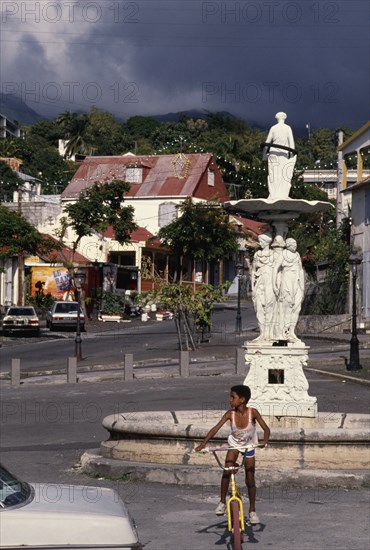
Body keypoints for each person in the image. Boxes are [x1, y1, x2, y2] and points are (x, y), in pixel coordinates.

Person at [195, 385, 270, 524]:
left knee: (250, 478)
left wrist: (264, 441)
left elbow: (266, 429)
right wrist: (203, 444)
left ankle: (252, 511)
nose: (230, 400)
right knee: (226, 471)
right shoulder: (230, 414)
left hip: (249, 446)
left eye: (232, 397)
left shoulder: (253, 412)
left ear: (242, 399)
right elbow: (215, 428)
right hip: (235, 445)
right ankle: (222, 502)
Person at [273, 238, 304, 342]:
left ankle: (291, 332)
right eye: (292, 243)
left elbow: (300, 270)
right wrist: (274, 284)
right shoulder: (283, 254)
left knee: (297, 307)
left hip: (297, 282)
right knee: (286, 308)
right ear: (287, 245)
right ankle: (282, 332)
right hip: (287, 281)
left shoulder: (297, 255)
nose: (295, 245)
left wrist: (302, 287)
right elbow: (275, 268)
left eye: (295, 243)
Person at [263, 112, 297, 200]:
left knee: (273, 173)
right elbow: (292, 144)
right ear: (284, 118)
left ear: (277, 118)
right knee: (283, 173)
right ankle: (281, 194)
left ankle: (274, 194)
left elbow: (267, 143)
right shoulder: (287, 128)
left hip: (273, 152)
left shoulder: (273, 128)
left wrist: (264, 156)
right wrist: (291, 156)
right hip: (284, 153)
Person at [251, 233, 276, 341]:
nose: (260, 243)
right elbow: (253, 271)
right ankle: (262, 333)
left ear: (266, 243)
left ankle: (269, 333)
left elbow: (277, 271)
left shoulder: (273, 254)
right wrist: (252, 286)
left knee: (269, 307)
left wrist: (276, 285)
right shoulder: (257, 255)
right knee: (259, 307)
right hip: (259, 283)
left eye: (261, 241)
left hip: (270, 283)